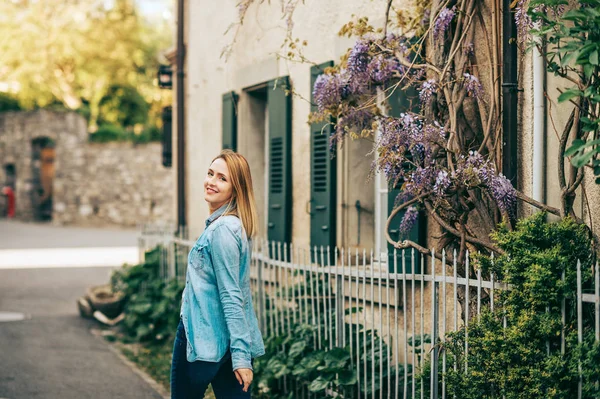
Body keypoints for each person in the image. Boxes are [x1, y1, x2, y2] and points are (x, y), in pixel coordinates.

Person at [171, 150, 265, 398]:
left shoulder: (223, 229)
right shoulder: (227, 225)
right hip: (224, 344)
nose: (211, 181)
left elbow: (233, 295)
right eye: (211, 173)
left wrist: (242, 358)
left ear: (236, 189)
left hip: (203, 343)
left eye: (222, 178)